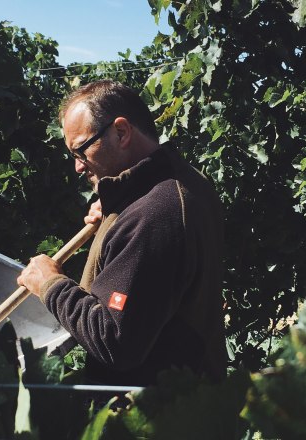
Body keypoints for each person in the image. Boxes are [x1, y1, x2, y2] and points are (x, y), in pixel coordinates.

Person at [16, 80, 226, 386]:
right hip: (194, 399)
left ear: (121, 132)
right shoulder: (184, 183)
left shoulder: (152, 216)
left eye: (81, 150)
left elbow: (114, 340)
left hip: (154, 415)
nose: (77, 167)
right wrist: (117, 210)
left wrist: (50, 285)